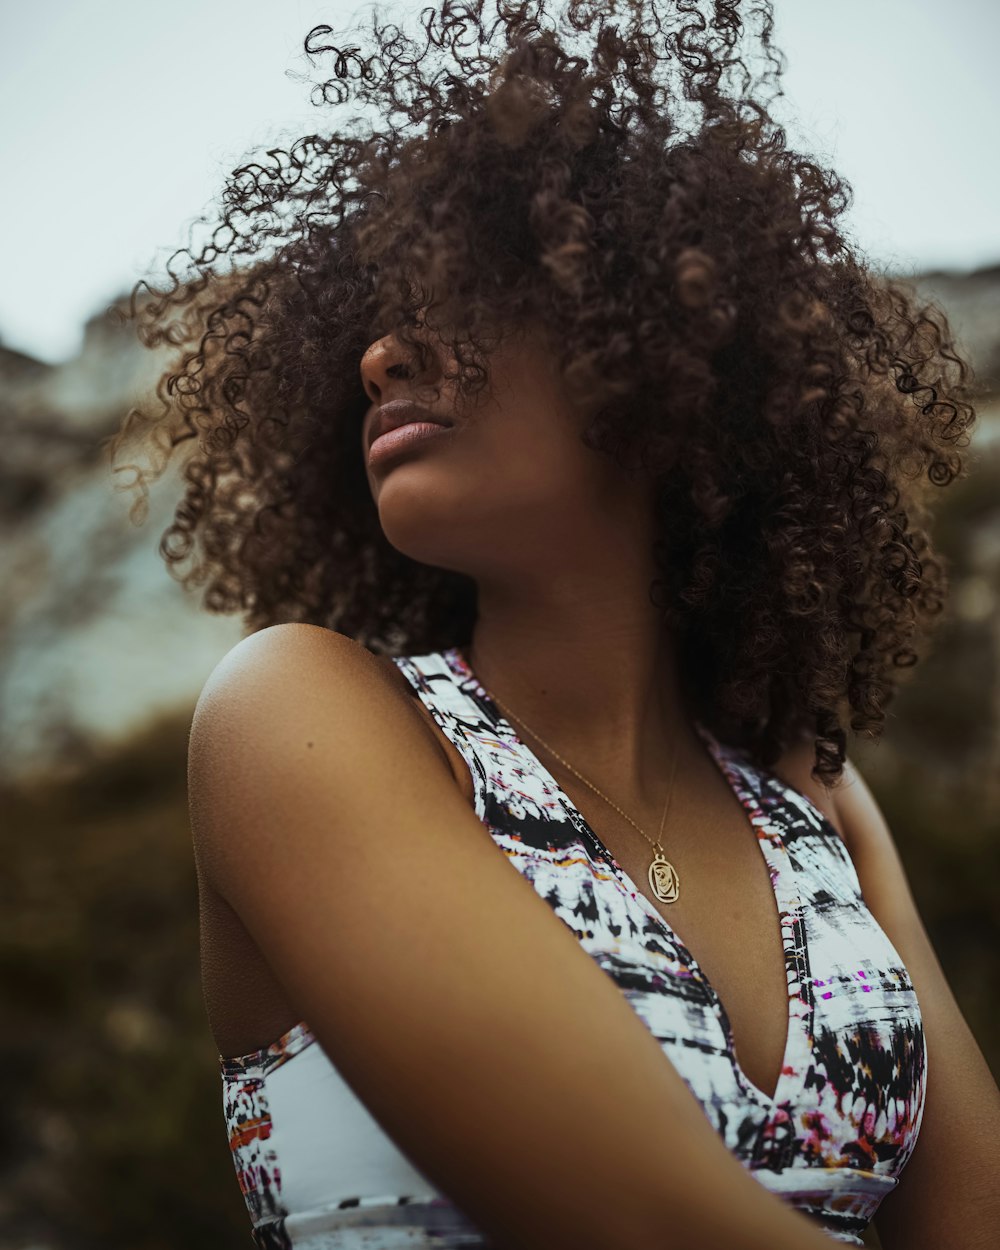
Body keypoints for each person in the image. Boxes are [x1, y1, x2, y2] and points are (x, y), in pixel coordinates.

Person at [111, 1, 1000, 1246]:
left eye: (466, 295)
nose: (378, 353)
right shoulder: (298, 716)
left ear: (662, 343)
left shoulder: (823, 811)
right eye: (374, 315)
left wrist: (850, 836)